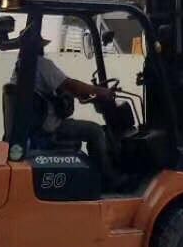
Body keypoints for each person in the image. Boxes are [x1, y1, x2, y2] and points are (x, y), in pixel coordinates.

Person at [10, 32, 119, 188]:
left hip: (33, 127)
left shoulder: (21, 66)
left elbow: (60, 89)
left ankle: (97, 176)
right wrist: (103, 92)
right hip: (48, 128)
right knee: (95, 131)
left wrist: (81, 95)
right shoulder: (40, 64)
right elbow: (70, 84)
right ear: (38, 47)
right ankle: (109, 180)